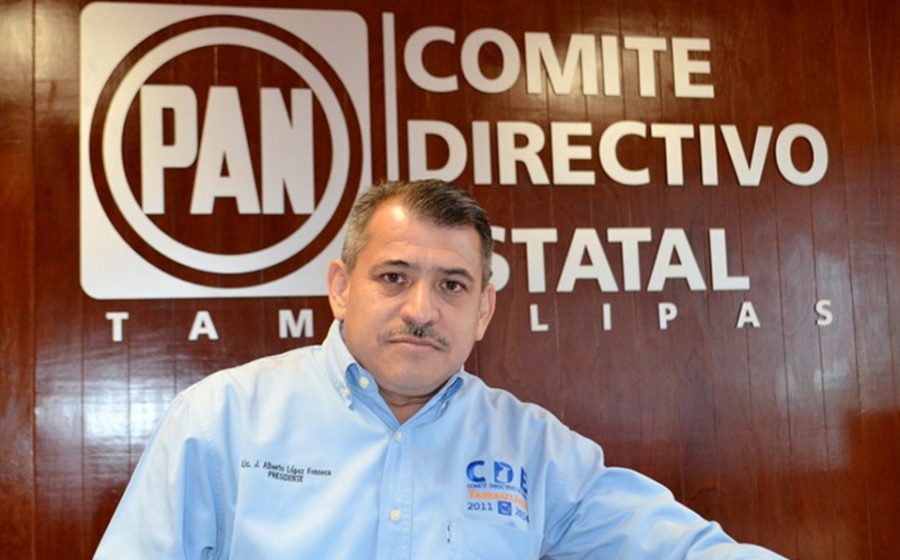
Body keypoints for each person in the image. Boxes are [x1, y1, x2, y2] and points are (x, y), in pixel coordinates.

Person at [94, 180, 786, 559]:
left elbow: (681, 551)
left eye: (452, 285)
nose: (421, 310)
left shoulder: (530, 448)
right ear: (341, 287)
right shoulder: (222, 419)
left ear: (483, 310)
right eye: (393, 277)